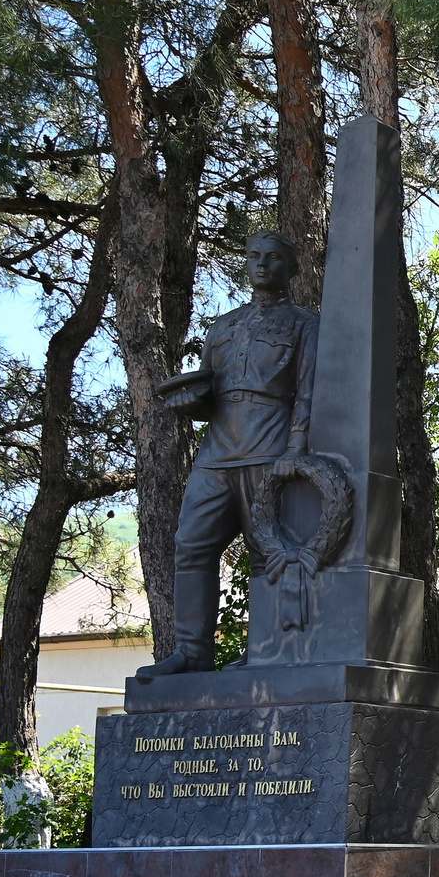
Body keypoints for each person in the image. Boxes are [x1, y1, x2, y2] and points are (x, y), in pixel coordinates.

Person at [138, 231, 318, 678]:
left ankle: (269, 653)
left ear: (291, 268)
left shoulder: (305, 324)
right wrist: (189, 403)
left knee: (268, 551)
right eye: (254, 256)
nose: (262, 265)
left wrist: (295, 447)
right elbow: (207, 390)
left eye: (274, 258)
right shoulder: (222, 326)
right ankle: (192, 653)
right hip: (217, 452)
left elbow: (309, 391)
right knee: (191, 545)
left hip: (269, 447)